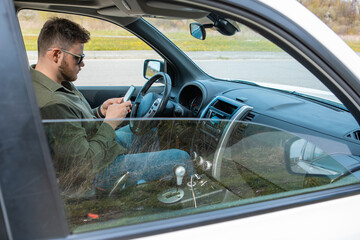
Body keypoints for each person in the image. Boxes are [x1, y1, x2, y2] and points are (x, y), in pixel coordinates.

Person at [30, 17, 193, 195]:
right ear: (56, 55)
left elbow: (72, 124)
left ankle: (142, 189)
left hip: (93, 146)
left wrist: (100, 112)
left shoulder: (52, 81)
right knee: (181, 158)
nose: (82, 64)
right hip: (92, 175)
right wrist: (110, 123)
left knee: (146, 128)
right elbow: (83, 166)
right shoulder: (52, 103)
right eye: (78, 58)